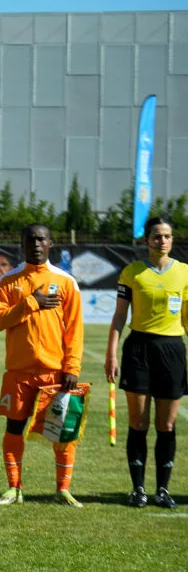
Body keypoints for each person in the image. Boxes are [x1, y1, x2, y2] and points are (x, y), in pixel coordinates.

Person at [0, 224, 84, 506]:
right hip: (19, 372)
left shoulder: (66, 281)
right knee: (14, 429)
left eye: (41, 239)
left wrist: (72, 368)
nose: (36, 244)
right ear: (22, 243)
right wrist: (31, 302)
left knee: (62, 433)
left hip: (55, 372)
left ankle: (63, 489)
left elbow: (74, 330)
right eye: (30, 239)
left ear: (50, 243)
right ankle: (14, 488)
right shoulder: (8, 281)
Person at [105, 216, 186, 509]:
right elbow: (119, 316)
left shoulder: (185, 273)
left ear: (171, 240)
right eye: (156, 236)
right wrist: (111, 354)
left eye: (166, 236)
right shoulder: (132, 273)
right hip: (138, 349)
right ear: (146, 241)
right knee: (138, 422)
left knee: (166, 424)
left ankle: (162, 490)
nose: (162, 241)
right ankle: (138, 488)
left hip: (172, 350)